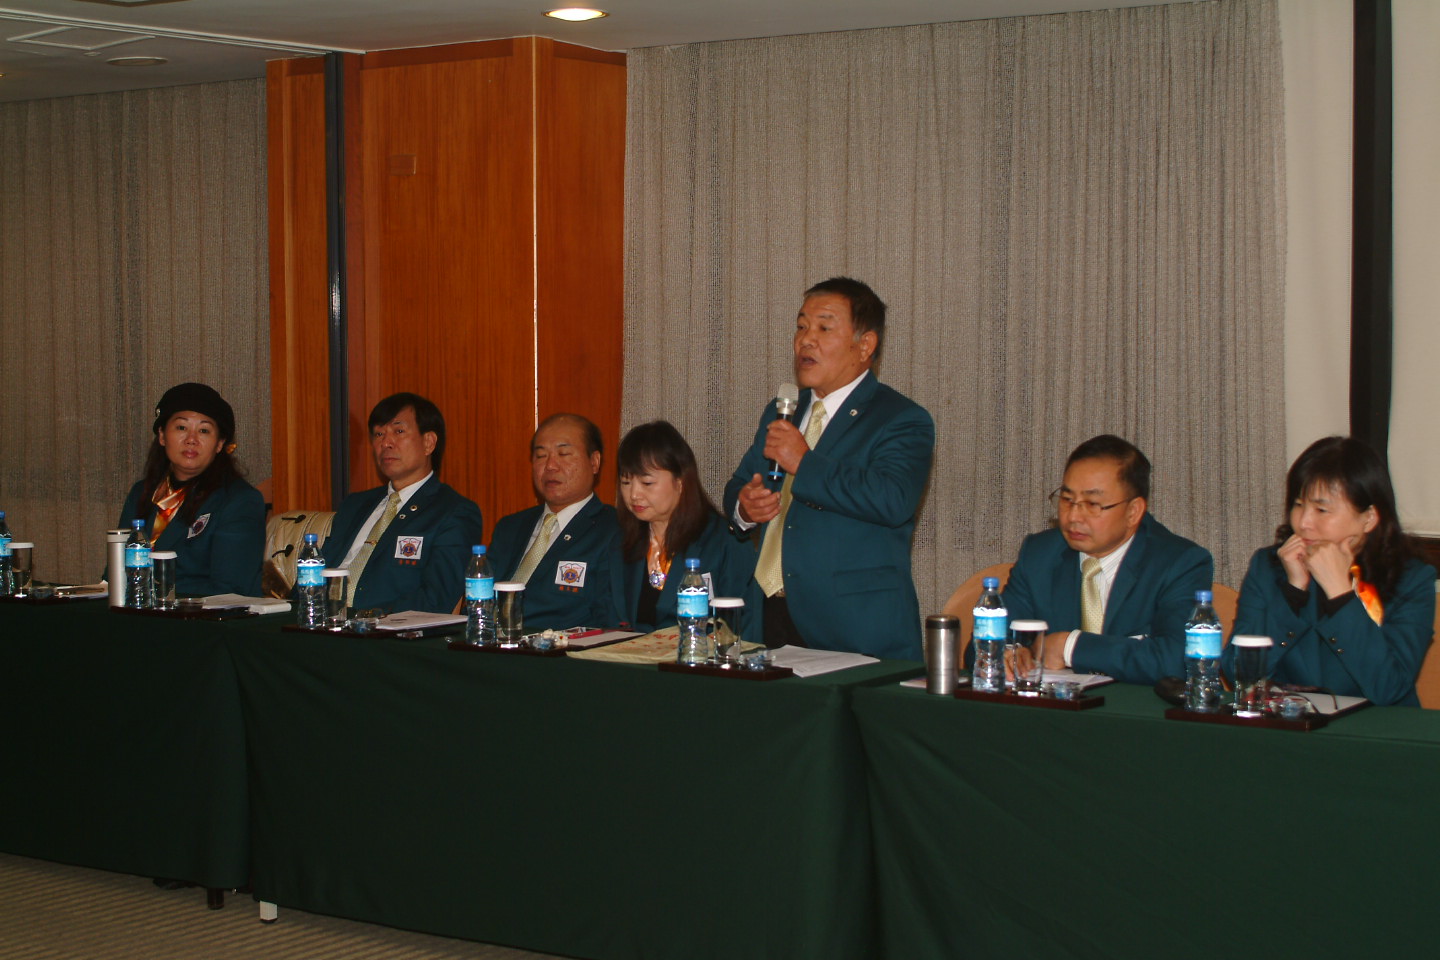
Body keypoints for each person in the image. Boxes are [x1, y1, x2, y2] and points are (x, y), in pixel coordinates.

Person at [723, 277, 934, 660]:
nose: (806, 340)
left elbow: (893, 499)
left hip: (853, 627)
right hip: (768, 615)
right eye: (801, 326)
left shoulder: (900, 418)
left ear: (865, 345)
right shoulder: (782, 411)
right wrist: (744, 507)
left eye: (823, 328)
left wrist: (804, 463)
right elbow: (740, 482)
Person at [1231, 436, 1435, 706]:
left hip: (1373, 728)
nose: (1304, 522)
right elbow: (1238, 674)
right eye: (1298, 504)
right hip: (1291, 723)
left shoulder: (1410, 578)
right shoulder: (1269, 566)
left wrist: (1341, 594)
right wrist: (1293, 593)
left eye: (1322, 509)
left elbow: (1389, 689)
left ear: (1369, 518)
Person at [1001, 435, 1213, 685]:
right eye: (1067, 500)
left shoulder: (1179, 563)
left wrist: (1070, 646)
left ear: (1133, 511)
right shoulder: (1040, 553)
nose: (1074, 516)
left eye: (1092, 504)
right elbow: (985, 641)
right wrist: (1008, 653)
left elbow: (1179, 661)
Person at [323, 392, 483, 614]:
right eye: (379, 434)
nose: (385, 443)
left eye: (398, 431)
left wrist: (363, 619)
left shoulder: (453, 512)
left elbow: (436, 599)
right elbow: (318, 572)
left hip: (382, 628)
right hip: (320, 620)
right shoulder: (354, 505)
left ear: (428, 442)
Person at [615, 420, 762, 645]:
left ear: (680, 482)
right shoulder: (618, 540)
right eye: (626, 482)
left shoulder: (723, 541)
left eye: (647, 483)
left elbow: (743, 626)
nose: (634, 494)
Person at [118, 382, 264, 596]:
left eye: (204, 430)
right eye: (181, 428)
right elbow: (115, 572)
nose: (191, 440)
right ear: (162, 435)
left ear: (219, 444)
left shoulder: (240, 501)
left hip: (202, 615)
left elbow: (230, 589)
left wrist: (148, 590)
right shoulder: (142, 492)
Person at [488, 413, 621, 630]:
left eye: (564, 454)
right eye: (541, 456)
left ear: (594, 462)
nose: (550, 466)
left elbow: (609, 620)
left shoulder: (613, 529)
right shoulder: (509, 527)